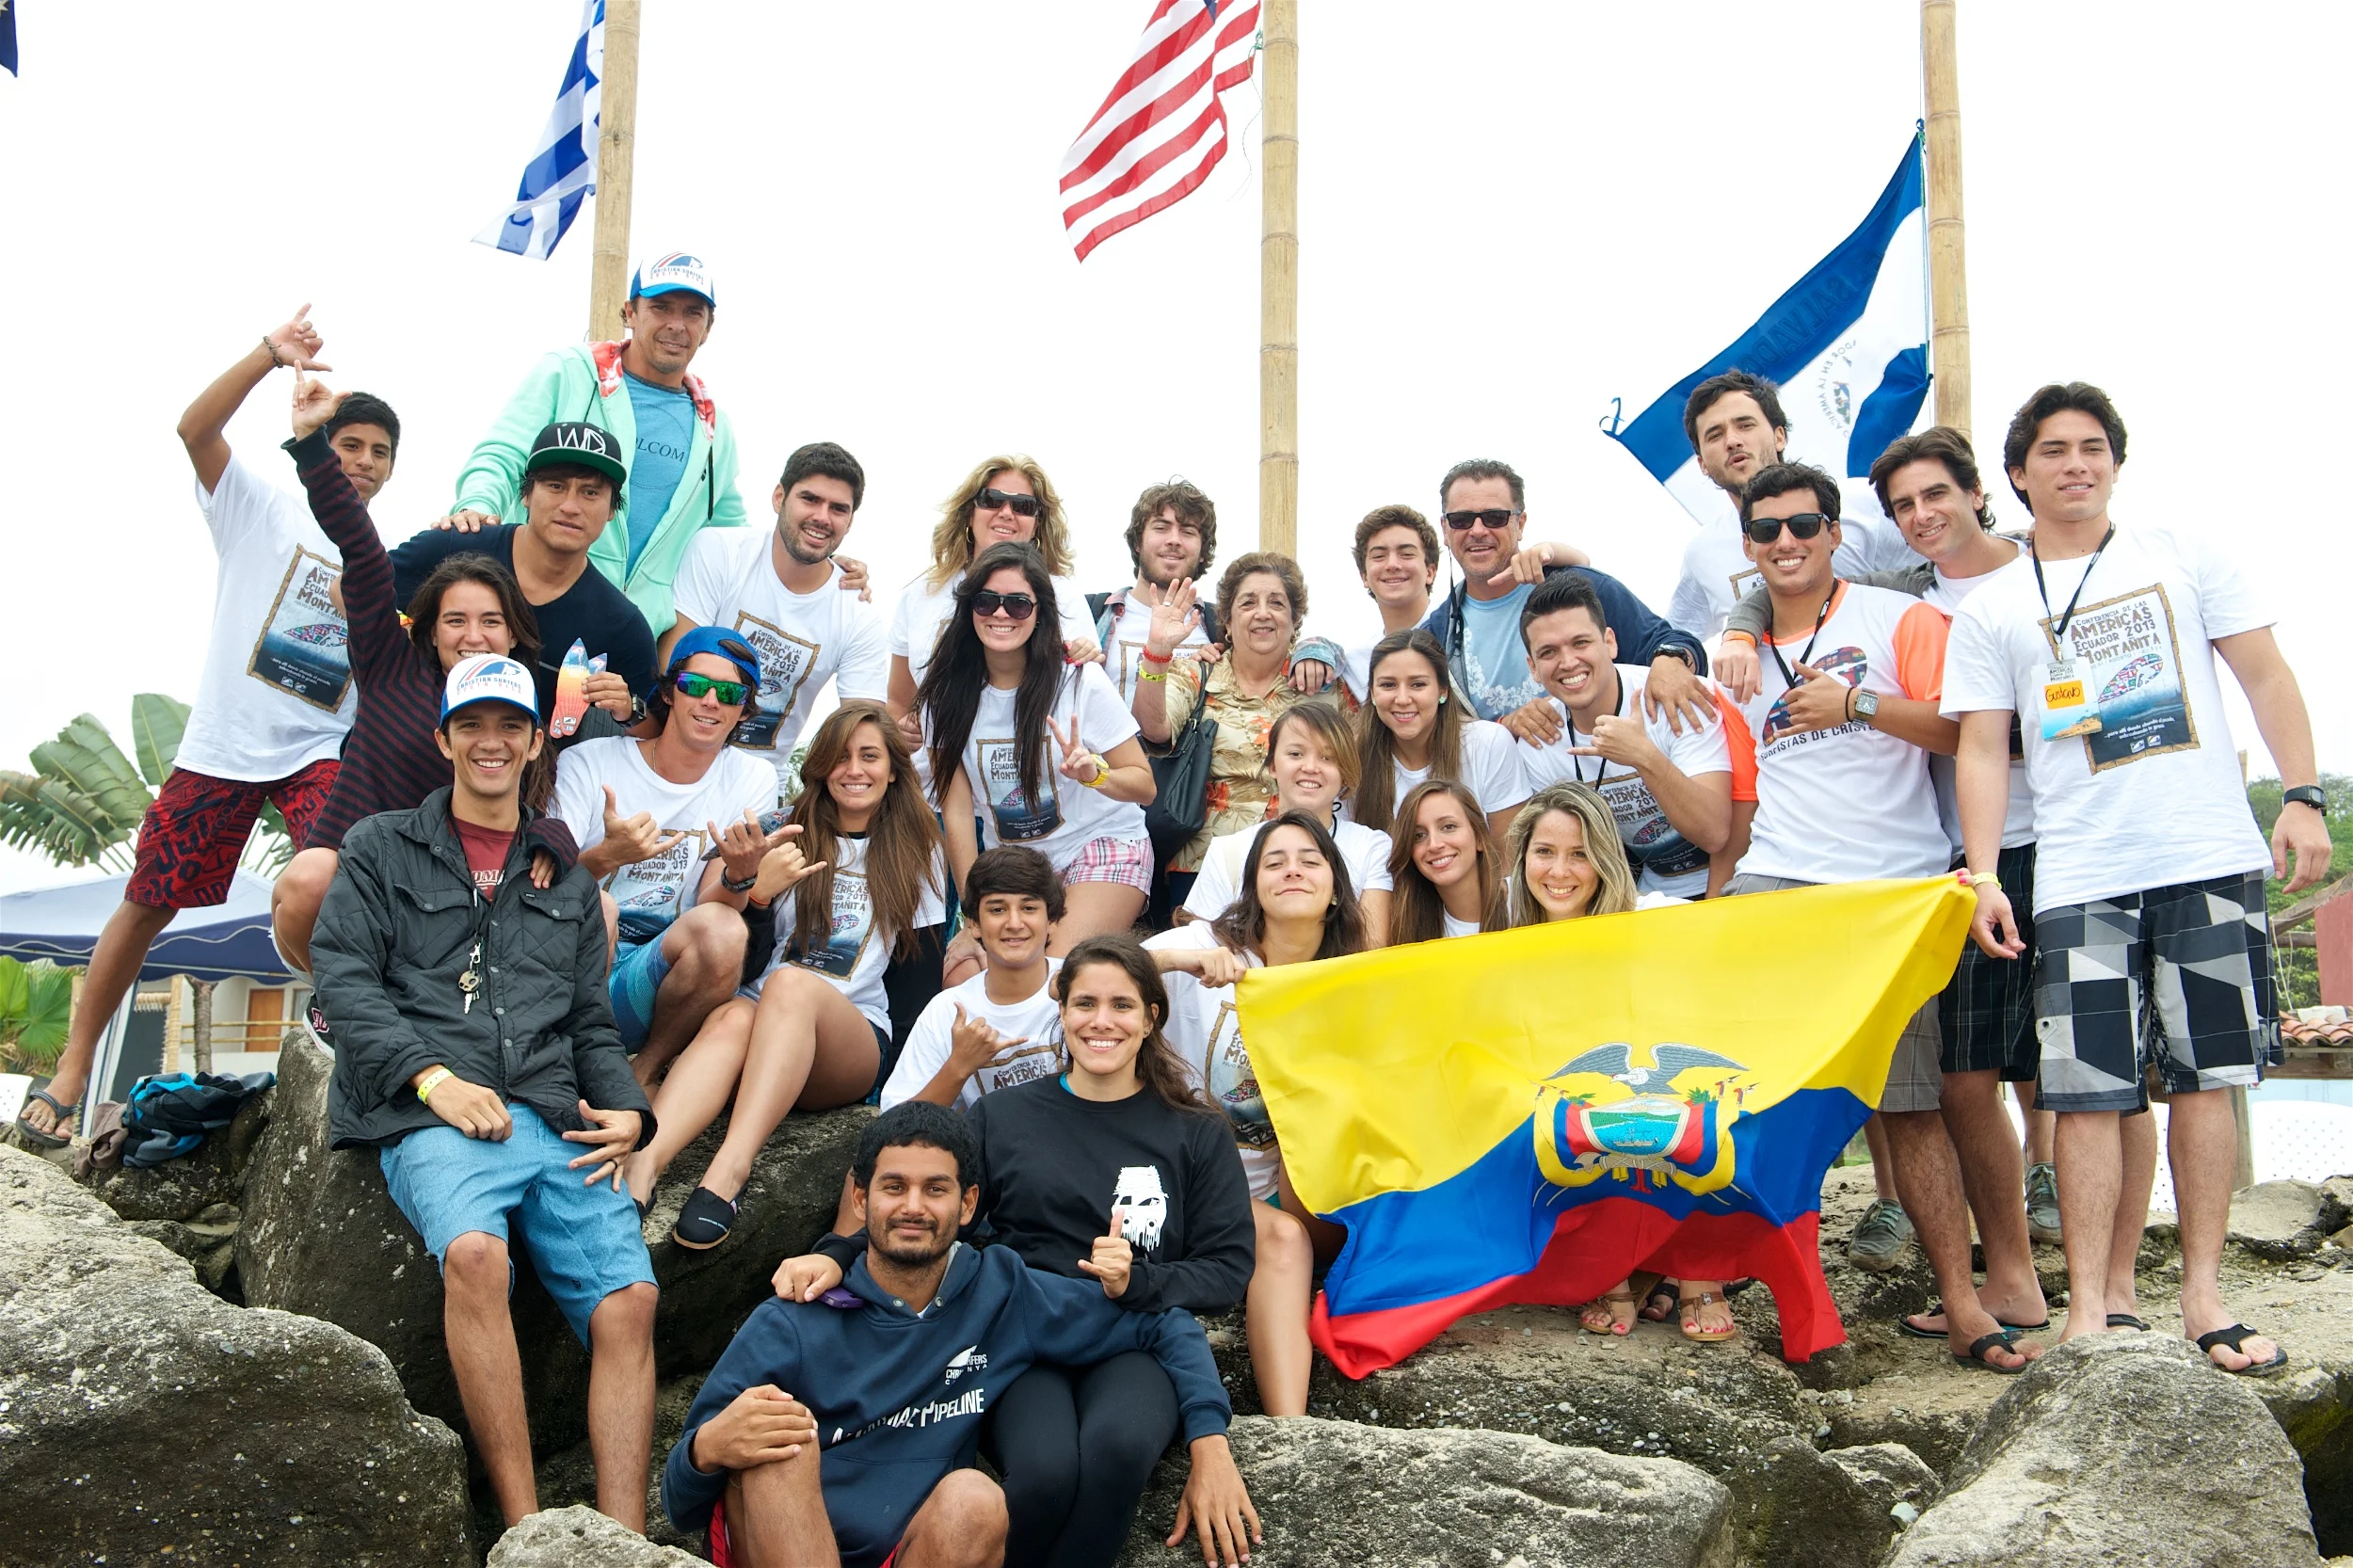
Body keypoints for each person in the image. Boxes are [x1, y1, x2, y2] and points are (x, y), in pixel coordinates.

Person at [1946, 382, 2331, 1375]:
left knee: (2208, 1079)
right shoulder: (1991, 607)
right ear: (2017, 474)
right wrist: (1983, 874)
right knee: (2084, 1092)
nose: (2075, 464)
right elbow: (1981, 748)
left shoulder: (2183, 554)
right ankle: (2088, 1310)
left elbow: (2266, 675)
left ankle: (2203, 1296)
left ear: (2115, 462)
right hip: (2078, 873)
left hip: (2206, 855)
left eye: (2093, 447)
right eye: (2053, 450)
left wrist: (2301, 796)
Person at [1721, 426, 2053, 1350]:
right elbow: (1737, 791)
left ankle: (1963, 1300)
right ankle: (1722, 1282)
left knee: (1912, 1104)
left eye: (1804, 525)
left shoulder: (1898, 617)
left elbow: (1970, 732)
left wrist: (1856, 703)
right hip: (1776, 881)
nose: (1786, 542)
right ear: (1747, 545)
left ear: (1834, 534)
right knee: (1735, 1090)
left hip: (1888, 890)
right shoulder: (1731, 651)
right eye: (1766, 530)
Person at [310, 653, 657, 1531]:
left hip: (551, 1107)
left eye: (510, 726)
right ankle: (525, 1528)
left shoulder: (564, 873)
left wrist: (629, 1108)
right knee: (474, 1256)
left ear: (537, 742)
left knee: (632, 1302)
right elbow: (344, 981)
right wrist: (433, 1082)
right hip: (433, 1107)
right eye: (472, 725)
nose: (490, 741)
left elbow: (589, 1020)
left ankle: (624, 1540)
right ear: (445, 739)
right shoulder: (379, 846)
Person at [777, 936, 1257, 1568]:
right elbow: (934, 1219)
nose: (1102, 1021)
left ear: (1150, 1018)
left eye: (1121, 1005)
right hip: (1020, 1335)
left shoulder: (1196, 1131)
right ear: (1062, 1010)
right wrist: (838, 1254)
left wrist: (1136, 1284)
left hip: (1138, 1336)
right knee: (1045, 1472)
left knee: (1115, 1451)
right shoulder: (1003, 1116)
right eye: (1085, 1003)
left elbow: (1226, 1269)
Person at [23, 309, 385, 1144]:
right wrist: (268, 355)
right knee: (146, 901)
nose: (363, 461)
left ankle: (344, 1022)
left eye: (379, 451)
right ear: (319, 447)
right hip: (225, 746)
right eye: (350, 444)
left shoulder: (384, 556)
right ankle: (73, 1068)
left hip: (320, 752)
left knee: (342, 878)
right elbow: (194, 430)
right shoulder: (258, 509)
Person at [663, 1101, 1258, 1568]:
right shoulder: (795, 1315)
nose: (913, 1206)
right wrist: (706, 1448)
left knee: (974, 1499)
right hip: (781, 1543)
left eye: (936, 1189)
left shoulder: (1002, 1291)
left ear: (968, 1204)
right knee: (777, 1437)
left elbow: (1162, 1321)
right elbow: (678, 1504)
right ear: (861, 1199)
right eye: (893, 1187)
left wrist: (1209, 1446)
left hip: (906, 1550)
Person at [269, 370, 572, 978]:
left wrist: (555, 842)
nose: (473, 636)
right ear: (430, 630)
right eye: (455, 620)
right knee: (307, 877)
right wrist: (311, 447)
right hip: (355, 884)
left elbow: (544, 809)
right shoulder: (391, 663)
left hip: (449, 908)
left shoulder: (527, 704)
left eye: (490, 621)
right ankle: (334, 1001)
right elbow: (362, 553)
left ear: (513, 634)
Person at [623, 700, 946, 1247]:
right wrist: (759, 895)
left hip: (846, 1041)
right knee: (735, 1013)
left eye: (870, 756)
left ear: (894, 769)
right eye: (840, 756)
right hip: (756, 1024)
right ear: (820, 766)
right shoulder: (780, 830)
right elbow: (740, 963)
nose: (854, 770)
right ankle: (642, 1167)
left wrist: (902, 1094)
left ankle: (729, 1171)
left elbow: (919, 977)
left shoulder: (920, 846)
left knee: (791, 984)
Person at [1145, 810, 1367, 1416]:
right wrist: (1178, 963)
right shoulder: (1207, 947)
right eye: (1275, 862)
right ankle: (1290, 1434)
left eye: (1309, 861)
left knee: (1322, 1209)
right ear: (1253, 888)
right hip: (1189, 1180)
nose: (1292, 871)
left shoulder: (1354, 982)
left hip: (1298, 1185)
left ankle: (1293, 1428)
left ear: (1336, 889)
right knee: (1283, 1239)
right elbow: (1075, 978)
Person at [442, 252, 746, 633]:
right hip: (527, 610)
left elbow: (732, 538)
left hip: (634, 635)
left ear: (708, 327)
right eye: (661, 307)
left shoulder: (715, 429)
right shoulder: (568, 372)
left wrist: (811, 574)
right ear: (630, 312)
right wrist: (477, 508)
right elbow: (504, 454)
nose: (676, 324)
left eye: (692, 313)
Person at [553, 628, 782, 1085]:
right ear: (668, 692)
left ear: (744, 710)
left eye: (729, 693)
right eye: (695, 686)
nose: (711, 702)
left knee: (725, 928)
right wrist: (606, 858)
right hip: (572, 971)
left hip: (656, 979)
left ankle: (644, 1072)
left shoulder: (752, 777)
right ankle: (570, 1065)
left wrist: (740, 875)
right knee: (601, 905)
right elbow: (545, 887)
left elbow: (715, 905)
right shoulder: (588, 762)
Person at [921, 544, 1157, 960]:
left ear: (1039, 612)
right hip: (1015, 867)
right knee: (964, 971)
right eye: (986, 601)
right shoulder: (945, 697)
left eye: (1017, 604)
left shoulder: (1078, 680)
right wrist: (973, 915)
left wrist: (1096, 774)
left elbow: (1145, 786)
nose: (1001, 613)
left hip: (1101, 842)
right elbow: (956, 813)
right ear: (969, 607)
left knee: (1053, 970)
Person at [1417, 457, 1710, 744]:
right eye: (1461, 520)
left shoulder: (1584, 588)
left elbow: (1672, 642)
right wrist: (1504, 727)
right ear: (1445, 530)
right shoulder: (1435, 636)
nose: (1478, 530)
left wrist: (1670, 660)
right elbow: (1433, 732)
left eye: (1495, 517)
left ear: (1520, 524)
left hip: (1616, 768)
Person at [392, 422, 657, 729]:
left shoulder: (620, 623)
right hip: (403, 745)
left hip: (528, 759)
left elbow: (657, 729)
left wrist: (628, 708)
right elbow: (352, 591)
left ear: (612, 510)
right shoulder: (455, 545)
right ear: (526, 494)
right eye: (555, 486)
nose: (570, 506)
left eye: (590, 492)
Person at [667, 441, 889, 797]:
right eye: (810, 499)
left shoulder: (858, 614)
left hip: (758, 787)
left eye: (838, 509)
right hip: (676, 762)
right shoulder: (720, 552)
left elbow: (866, 727)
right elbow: (672, 669)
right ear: (778, 498)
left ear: (849, 522)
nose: (822, 517)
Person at [1129, 552, 1343, 907]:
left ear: (1295, 621)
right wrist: (1157, 651)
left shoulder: (1319, 684)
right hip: (1206, 869)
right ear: (1227, 621)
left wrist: (1325, 648)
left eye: (1277, 603)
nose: (1263, 613)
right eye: (1248, 603)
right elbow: (1153, 729)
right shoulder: (1198, 673)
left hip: (1300, 866)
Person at [1515, 574, 1734, 900]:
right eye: (1548, 652)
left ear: (1610, 643)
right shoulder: (1540, 738)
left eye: (1581, 643)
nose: (1568, 662)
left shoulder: (1675, 695)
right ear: (1533, 667)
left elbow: (1715, 833)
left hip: (1736, 879)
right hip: (1647, 894)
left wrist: (1642, 755)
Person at [1666, 371, 1917, 642]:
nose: (1732, 441)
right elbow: (1676, 640)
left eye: (1745, 425)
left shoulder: (1863, 504)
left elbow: (1937, 575)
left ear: (1779, 437)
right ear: (1702, 464)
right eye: (1715, 435)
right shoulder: (1703, 553)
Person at [888, 456, 1099, 735]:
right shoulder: (923, 593)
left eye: (1023, 506)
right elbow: (898, 703)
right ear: (969, 513)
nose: (1007, 513)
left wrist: (1086, 654)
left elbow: (1084, 695)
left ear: (1037, 523)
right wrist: (901, 732)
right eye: (992, 500)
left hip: (1029, 758)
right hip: (935, 760)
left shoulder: (1063, 595)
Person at [1179, 702, 1394, 941]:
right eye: (1295, 754)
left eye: (1327, 757)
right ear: (1272, 765)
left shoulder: (1372, 847)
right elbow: (1198, 947)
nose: (1310, 767)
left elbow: (1372, 948)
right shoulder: (1227, 852)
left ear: (1344, 771)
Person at [880, 846, 1067, 1111]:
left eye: (1028, 908)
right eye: (997, 910)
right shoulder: (948, 1010)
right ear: (974, 925)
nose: (1014, 923)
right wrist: (959, 1066)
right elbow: (896, 1121)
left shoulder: (1083, 987)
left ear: (1052, 920)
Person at [1348, 630, 1528, 843]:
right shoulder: (1353, 758)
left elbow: (1508, 856)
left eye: (1418, 684)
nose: (1402, 699)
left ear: (1443, 691)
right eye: (1388, 685)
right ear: (1372, 693)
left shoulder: (1489, 743)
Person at [1086, 479, 1219, 704]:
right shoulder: (1090, 615)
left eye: (1187, 532)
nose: (1174, 540)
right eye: (1161, 528)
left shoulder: (1222, 626)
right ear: (1137, 542)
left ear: (1203, 552)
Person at [1386, 780, 1509, 944]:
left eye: (1448, 827)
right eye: (1419, 836)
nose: (1434, 845)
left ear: (1479, 837)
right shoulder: (1407, 931)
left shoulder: (1525, 901)